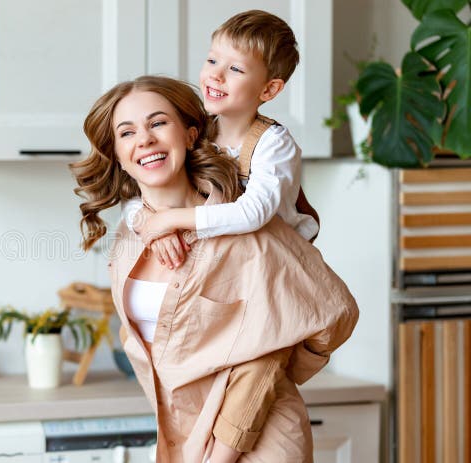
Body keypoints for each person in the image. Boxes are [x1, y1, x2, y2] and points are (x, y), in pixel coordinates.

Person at [71, 75, 358, 462]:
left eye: (158, 123)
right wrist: (153, 225)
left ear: (190, 135)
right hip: (183, 438)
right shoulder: (130, 239)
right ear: (117, 154)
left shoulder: (244, 229)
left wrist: (221, 455)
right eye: (127, 132)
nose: (145, 140)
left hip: (255, 442)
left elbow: (274, 349)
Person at [123, 10, 318, 270]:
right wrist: (149, 221)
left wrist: (169, 220)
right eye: (213, 60)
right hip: (214, 267)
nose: (216, 75)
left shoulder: (274, 144)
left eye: (235, 68)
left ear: (269, 89)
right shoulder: (193, 130)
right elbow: (136, 195)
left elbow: (252, 213)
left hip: (268, 269)